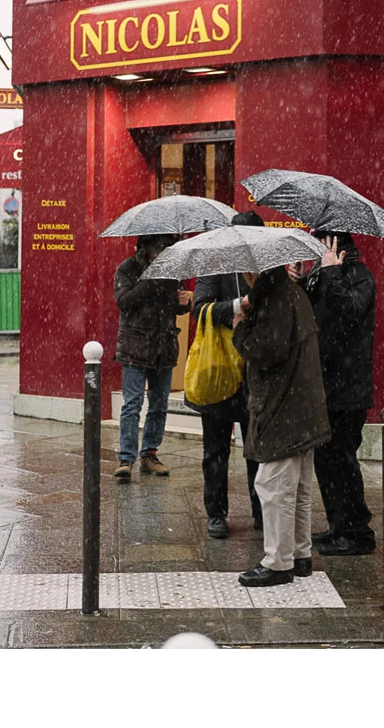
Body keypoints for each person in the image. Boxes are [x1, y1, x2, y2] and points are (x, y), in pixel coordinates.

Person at [232, 264, 331, 587]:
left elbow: (266, 351)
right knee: (298, 488)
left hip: (283, 407)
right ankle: (299, 556)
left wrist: (241, 328)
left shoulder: (275, 298)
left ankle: (277, 562)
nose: (243, 274)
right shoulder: (292, 292)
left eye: (245, 268)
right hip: (303, 406)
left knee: (272, 486)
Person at [290, 231, 377, 556]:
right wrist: (300, 284)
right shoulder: (322, 273)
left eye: (320, 244)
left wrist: (330, 274)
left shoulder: (359, 276)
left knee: (343, 461)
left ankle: (357, 532)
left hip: (348, 389)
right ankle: (338, 525)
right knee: (327, 462)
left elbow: (350, 314)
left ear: (334, 245)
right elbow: (314, 318)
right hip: (325, 385)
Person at [190, 210, 265, 538]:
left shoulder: (270, 268)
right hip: (220, 369)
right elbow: (200, 308)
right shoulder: (215, 264)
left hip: (257, 371)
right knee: (215, 450)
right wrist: (237, 306)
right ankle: (216, 514)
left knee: (258, 450)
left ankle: (262, 511)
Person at [113, 234, 192, 479]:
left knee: (159, 406)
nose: (162, 253)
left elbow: (176, 307)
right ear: (145, 248)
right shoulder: (127, 269)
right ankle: (126, 458)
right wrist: (150, 279)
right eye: (159, 248)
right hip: (135, 346)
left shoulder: (172, 270)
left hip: (164, 346)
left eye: (166, 248)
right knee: (132, 404)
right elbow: (124, 302)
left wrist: (184, 302)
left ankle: (149, 454)